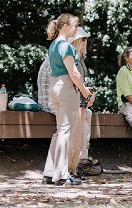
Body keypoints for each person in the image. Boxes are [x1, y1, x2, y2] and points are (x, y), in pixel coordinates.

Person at [42, 13, 93, 186]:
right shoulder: (66, 47)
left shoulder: (53, 46)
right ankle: (62, 174)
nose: (76, 29)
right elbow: (74, 74)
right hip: (66, 87)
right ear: (65, 27)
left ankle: (49, 172)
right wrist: (85, 92)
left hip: (55, 87)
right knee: (65, 132)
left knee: (59, 131)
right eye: (74, 26)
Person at [68, 27, 97, 174]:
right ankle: (76, 164)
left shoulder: (79, 59)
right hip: (69, 102)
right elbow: (74, 81)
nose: (86, 42)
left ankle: (82, 159)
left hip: (79, 102)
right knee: (77, 131)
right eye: (83, 39)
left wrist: (91, 94)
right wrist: (86, 94)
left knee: (87, 116)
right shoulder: (72, 58)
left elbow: (85, 81)